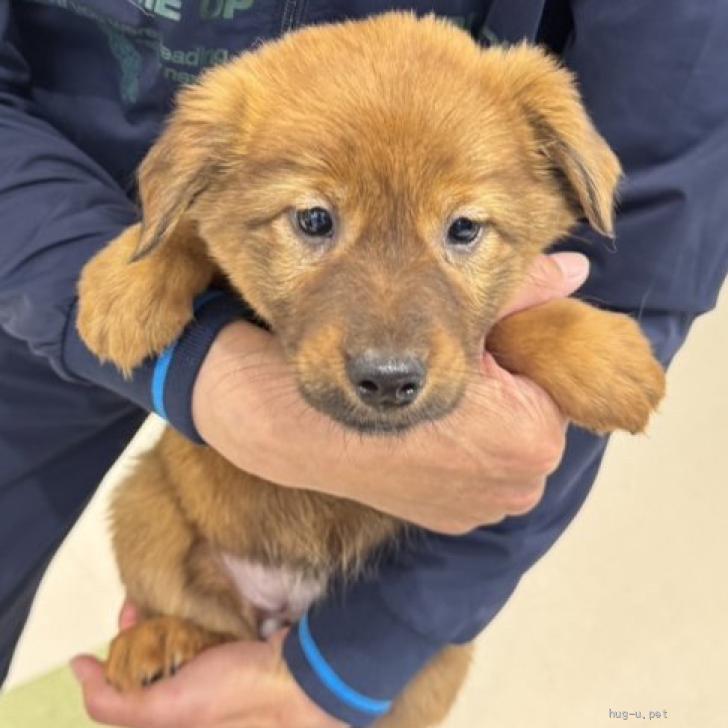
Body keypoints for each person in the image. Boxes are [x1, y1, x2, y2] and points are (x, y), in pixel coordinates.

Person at [1, 2, 726, 727]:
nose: (386, 355)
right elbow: (171, 255)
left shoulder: (514, 118)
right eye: (315, 222)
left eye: (462, 228)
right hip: (43, 196)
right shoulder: (231, 140)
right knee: (140, 522)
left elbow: (661, 176)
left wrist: (357, 661)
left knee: (421, 675)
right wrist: (178, 306)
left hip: (391, 561)